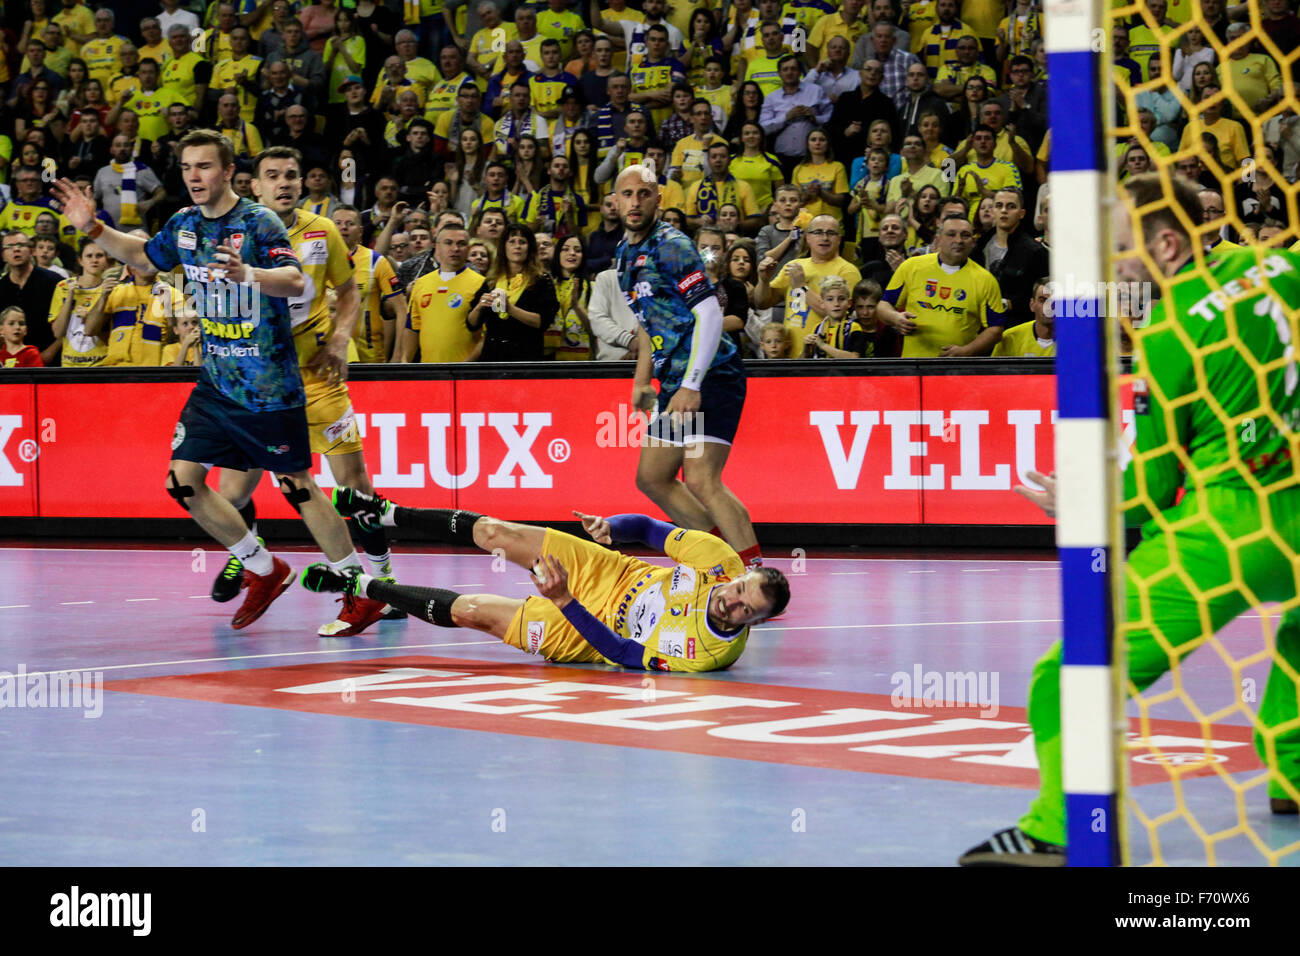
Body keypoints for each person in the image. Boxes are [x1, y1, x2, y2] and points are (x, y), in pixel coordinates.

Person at [961, 172, 1300, 865]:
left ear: (1167, 245)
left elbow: (1152, 489)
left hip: (1233, 528)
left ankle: (1059, 830)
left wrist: (1080, 504)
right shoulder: (1278, 265)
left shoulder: (1172, 330)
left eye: (1119, 251)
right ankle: (1292, 771)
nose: (1111, 268)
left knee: (1067, 675)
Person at [49, 131, 360, 632]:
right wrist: (94, 229)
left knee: (297, 487)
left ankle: (357, 588)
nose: (194, 176)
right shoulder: (185, 223)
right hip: (217, 385)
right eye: (188, 167)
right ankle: (264, 567)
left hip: (268, 386)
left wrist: (247, 275)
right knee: (182, 483)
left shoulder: (257, 222)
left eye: (205, 167)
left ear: (228, 171)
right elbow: (147, 257)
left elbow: (296, 281)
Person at [308, 492, 788, 670]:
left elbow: (622, 654)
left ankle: (363, 589)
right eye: (741, 589)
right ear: (740, 574)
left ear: (757, 624)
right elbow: (644, 529)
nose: (733, 602)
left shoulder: (710, 653)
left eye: (748, 610)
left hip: (585, 633)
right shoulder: (717, 558)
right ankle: (389, 512)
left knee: (472, 612)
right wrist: (611, 528)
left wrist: (564, 603)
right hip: (609, 570)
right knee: (497, 533)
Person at [613, 163, 763, 567]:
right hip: (675, 377)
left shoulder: (672, 244)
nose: (635, 201)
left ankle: (752, 575)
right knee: (653, 477)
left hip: (712, 372)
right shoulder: (624, 254)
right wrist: (643, 380)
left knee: (700, 477)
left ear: (658, 200)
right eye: (626, 194)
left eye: (643, 194)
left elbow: (711, 314)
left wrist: (692, 384)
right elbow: (648, 319)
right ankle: (719, 560)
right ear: (613, 201)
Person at [876, 211, 1005, 357]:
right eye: (951, 234)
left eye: (965, 235)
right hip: (914, 365)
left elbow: (996, 329)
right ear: (938, 239)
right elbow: (883, 306)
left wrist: (966, 351)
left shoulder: (986, 280)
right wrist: (895, 318)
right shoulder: (911, 266)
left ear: (972, 242)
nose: (959, 240)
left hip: (958, 369)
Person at [754, 214, 863, 358]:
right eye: (818, 232)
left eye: (831, 233)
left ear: (839, 239)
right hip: (791, 355)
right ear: (807, 238)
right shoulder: (794, 266)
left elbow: (839, 314)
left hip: (826, 357)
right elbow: (761, 302)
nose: (824, 238)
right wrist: (764, 280)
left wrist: (801, 287)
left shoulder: (848, 271)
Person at [397, 221, 490, 363]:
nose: (455, 248)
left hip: (466, 373)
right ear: (436, 246)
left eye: (461, 243)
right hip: (429, 373)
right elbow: (412, 328)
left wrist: (467, 365)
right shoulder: (421, 283)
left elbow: (487, 335)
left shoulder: (482, 284)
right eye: (448, 243)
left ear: (468, 248)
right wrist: (405, 361)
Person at [469, 222, 559, 362]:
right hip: (492, 356)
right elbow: (471, 324)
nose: (517, 246)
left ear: (529, 248)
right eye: (512, 241)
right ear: (504, 247)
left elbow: (541, 322)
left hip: (525, 356)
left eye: (522, 242)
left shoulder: (541, 280)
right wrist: (479, 307)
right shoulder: (492, 280)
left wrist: (510, 309)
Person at [332, 204, 404, 364]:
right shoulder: (319, 263)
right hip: (328, 358)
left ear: (360, 231)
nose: (343, 227)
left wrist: (398, 356)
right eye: (338, 223)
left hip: (369, 359)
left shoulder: (375, 261)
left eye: (350, 223)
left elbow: (402, 310)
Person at [991, 276, 1054, 357]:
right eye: (1042, 300)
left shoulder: (1074, 340)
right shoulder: (1010, 338)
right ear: (1032, 304)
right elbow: (995, 369)